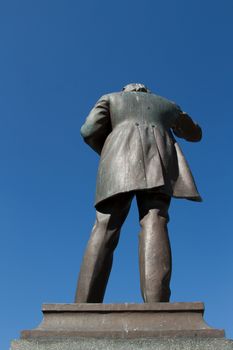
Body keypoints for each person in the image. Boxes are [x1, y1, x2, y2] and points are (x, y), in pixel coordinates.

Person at [75, 83, 202, 303]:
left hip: (118, 161)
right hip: (159, 162)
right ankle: (157, 305)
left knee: (105, 225)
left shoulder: (110, 98)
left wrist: (108, 151)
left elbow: (88, 131)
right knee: (155, 219)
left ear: (127, 91)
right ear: (146, 92)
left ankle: (83, 306)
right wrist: (179, 117)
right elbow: (195, 134)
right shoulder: (167, 104)